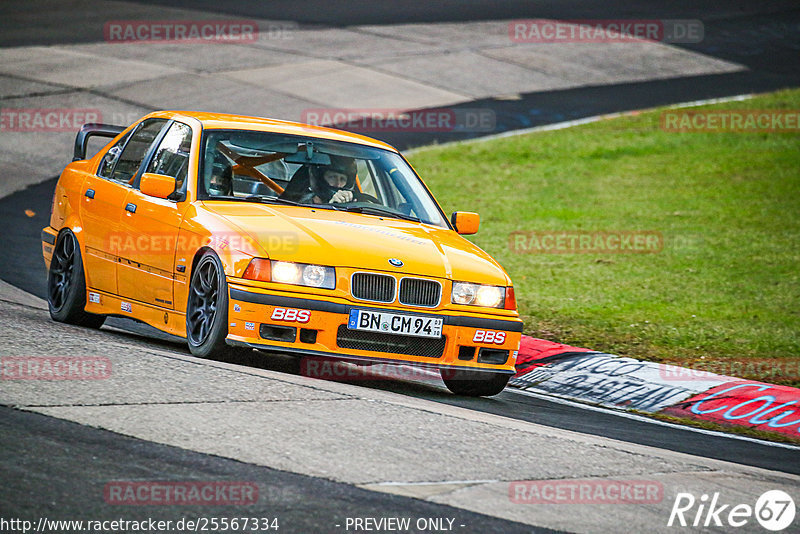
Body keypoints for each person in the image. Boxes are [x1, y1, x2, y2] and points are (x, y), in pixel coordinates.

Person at [281, 155, 376, 204]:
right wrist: (330, 206)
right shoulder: (300, 206)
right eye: (332, 177)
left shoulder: (357, 207)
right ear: (319, 178)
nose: (338, 184)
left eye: (342, 179)